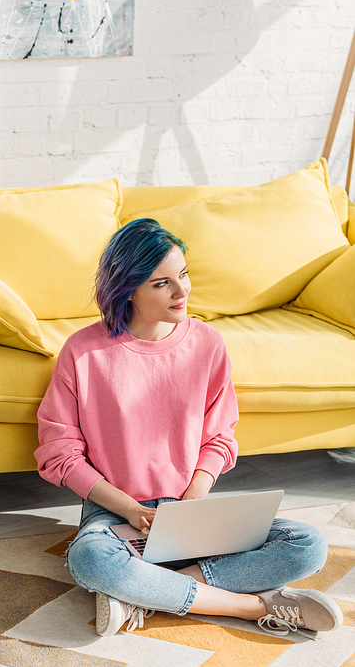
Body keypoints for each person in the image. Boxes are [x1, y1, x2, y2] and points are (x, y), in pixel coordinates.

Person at [35, 218, 342, 639]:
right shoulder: (84, 351)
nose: (182, 292)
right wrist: (131, 510)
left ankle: (140, 593)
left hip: (190, 505)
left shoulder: (208, 344)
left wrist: (193, 500)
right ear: (128, 289)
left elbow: (219, 436)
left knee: (309, 544)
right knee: (90, 559)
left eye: (182, 275)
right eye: (161, 283)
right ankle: (255, 607)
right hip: (114, 510)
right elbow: (60, 453)